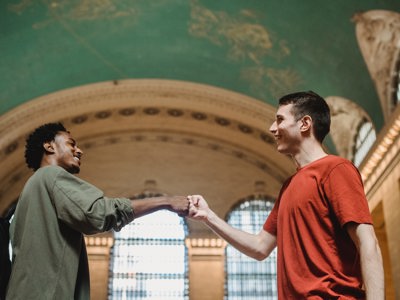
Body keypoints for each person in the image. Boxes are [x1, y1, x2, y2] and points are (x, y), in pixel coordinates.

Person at [188, 91, 384, 299]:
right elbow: (259, 247)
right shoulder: (289, 186)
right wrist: (208, 216)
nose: (272, 128)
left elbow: (367, 242)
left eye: (280, 119)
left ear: (305, 123)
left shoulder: (336, 169)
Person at [6, 122, 189, 300]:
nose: (79, 151)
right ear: (49, 146)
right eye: (71, 144)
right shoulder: (51, 175)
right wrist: (167, 202)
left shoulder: (30, 190)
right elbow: (98, 213)